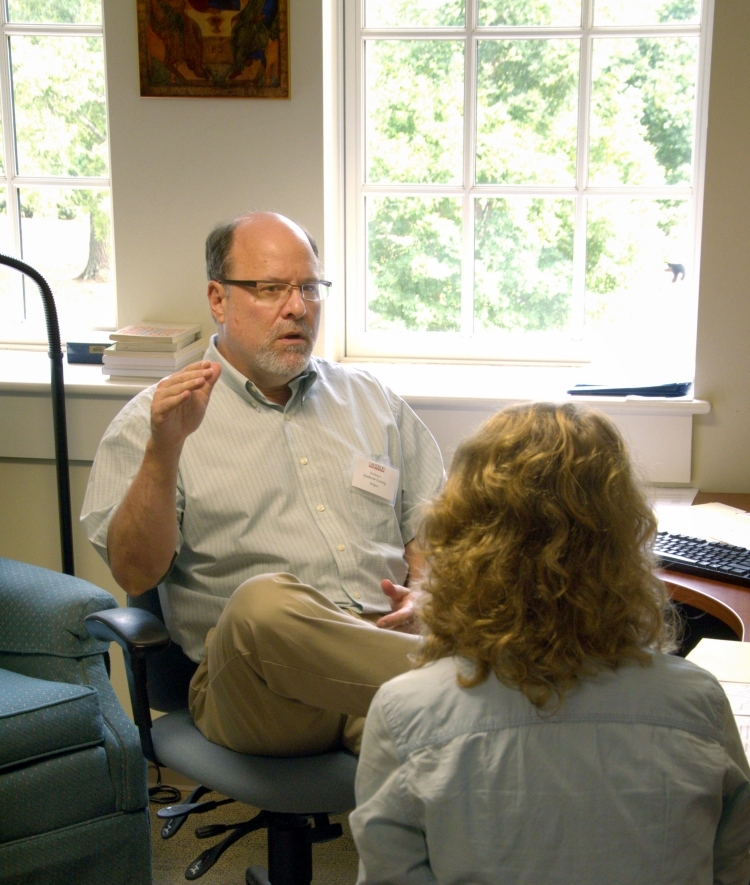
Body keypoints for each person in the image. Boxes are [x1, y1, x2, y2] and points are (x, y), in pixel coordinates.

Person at [81, 211, 444, 756]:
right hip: (258, 692)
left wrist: (424, 588)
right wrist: (164, 452)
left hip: (375, 674)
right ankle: (469, 678)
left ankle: (444, 695)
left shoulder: (373, 401)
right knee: (262, 604)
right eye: (271, 289)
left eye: (309, 288)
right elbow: (135, 570)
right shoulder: (154, 422)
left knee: (456, 771)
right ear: (218, 299)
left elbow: (434, 525)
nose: (298, 307)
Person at [350, 402, 750, 885]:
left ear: (460, 538)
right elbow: (734, 869)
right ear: (625, 538)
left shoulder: (403, 714)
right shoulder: (699, 705)